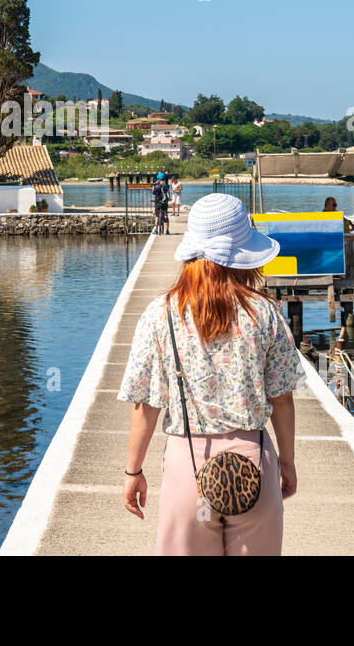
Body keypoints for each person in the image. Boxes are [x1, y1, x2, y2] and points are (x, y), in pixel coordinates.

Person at [119, 193, 302, 555]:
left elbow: (145, 404)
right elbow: (282, 399)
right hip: (254, 464)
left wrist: (133, 471)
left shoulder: (160, 313)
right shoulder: (265, 313)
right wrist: (287, 463)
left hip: (187, 468)